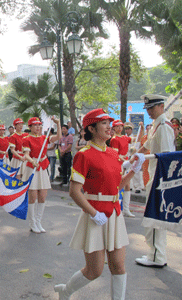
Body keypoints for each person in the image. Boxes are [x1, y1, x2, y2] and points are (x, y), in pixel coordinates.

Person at [54, 108, 144, 300]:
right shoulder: (84, 155)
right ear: (92, 129)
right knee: (94, 271)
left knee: (119, 267)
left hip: (115, 213)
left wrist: (133, 171)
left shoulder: (113, 153)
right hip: (96, 215)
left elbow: (117, 187)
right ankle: (66, 291)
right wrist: (94, 214)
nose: (109, 127)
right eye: (104, 123)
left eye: (109, 124)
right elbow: (74, 191)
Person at [135, 94, 175, 268]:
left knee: (155, 217)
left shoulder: (164, 127)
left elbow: (165, 156)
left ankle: (157, 257)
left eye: (152, 108)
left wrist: (145, 156)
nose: (149, 111)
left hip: (159, 177)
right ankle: (154, 254)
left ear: (161, 106)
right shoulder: (156, 126)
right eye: (148, 109)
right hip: (153, 175)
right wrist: (135, 155)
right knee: (152, 216)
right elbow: (148, 145)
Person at [22, 116, 61, 233]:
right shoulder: (27, 139)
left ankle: (39, 221)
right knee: (33, 197)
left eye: (39, 125)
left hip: (43, 167)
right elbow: (26, 154)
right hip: (32, 168)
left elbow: (58, 137)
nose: (38, 127)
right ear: (30, 127)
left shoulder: (44, 138)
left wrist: (58, 123)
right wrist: (32, 161)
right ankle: (32, 222)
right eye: (35, 125)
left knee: (42, 196)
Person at [109, 120, 135, 217]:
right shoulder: (114, 139)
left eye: (121, 126)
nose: (119, 128)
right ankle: (117, 208)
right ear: (114, 128)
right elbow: (115, 155)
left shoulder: (124, 137)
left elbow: (136, 140)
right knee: (119, 185)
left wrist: (139, 128)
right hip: (119, 164)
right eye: (117, 126)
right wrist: (124, 159)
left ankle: (126, 209)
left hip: (126, 162)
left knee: (127, 185)